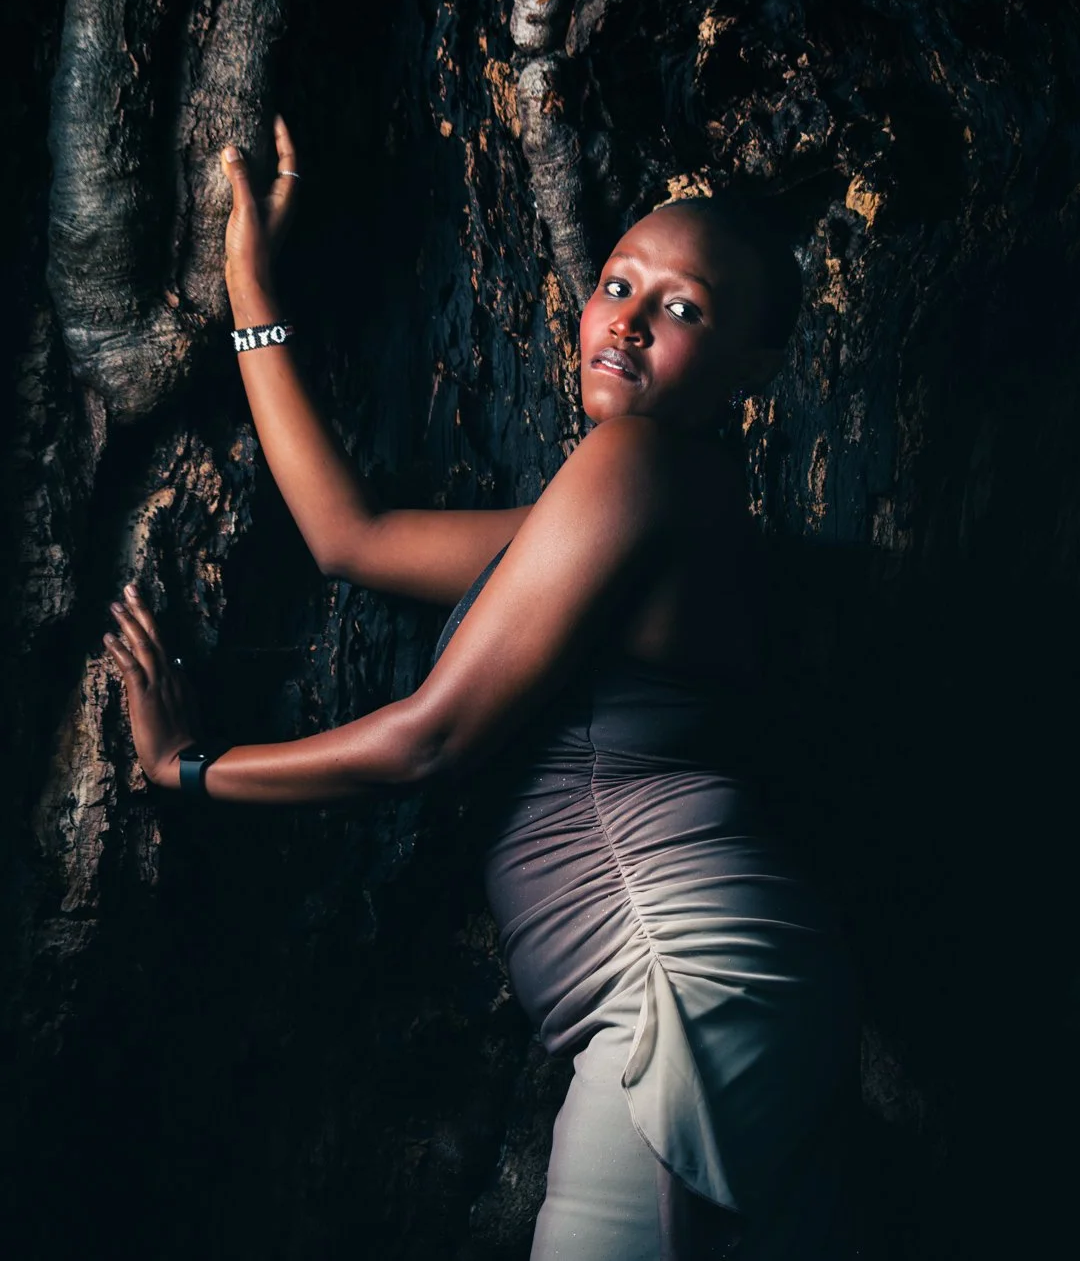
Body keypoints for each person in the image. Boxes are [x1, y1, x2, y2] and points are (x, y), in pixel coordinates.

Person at [103, 114, 859, 1258]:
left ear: (755, 368)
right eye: (617, 284)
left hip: (681, 992)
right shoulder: (636, 508)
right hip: (715, 988)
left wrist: (188, 772)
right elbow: (349, 536)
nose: (630, 320)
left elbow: (430, 739)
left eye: (685, 307)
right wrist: (251, 289)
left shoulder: (642, 467)